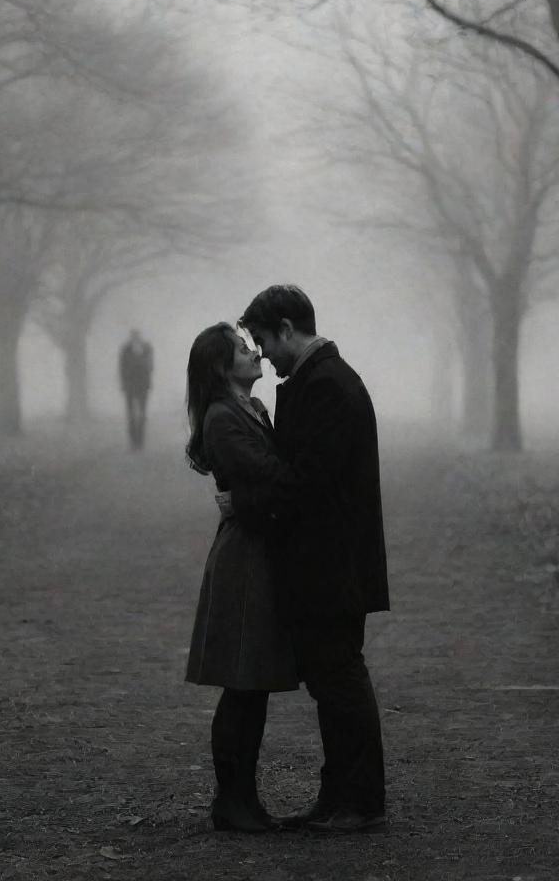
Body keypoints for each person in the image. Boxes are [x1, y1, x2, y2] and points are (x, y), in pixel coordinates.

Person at [233, 284, 390, 833]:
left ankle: (361, 801)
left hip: (331, 563)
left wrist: (243, 502)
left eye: (263, 341)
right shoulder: (318, 380)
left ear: (285, 329)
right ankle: (341, 796)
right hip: (327, 561)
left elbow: (308, 482)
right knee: (332, 681)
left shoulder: (325, 386)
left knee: (340, 678)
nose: (264, 354)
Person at [183, 323, 300, 833]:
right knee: (242, 682)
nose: (255, 353)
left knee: (251, 685)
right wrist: (305, 478)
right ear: (220, 366)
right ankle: (232, 800)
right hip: (245, 556)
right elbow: (272, 475)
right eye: (242, 350)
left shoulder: (250, 408)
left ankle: (241, 800)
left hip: (259, 548)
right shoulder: (221, 416)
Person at [118, 329, 153, 450]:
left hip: (143, 386)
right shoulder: (126, 350)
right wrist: (123, 384)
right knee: (131, 415)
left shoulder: (147, 348)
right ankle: (133, 442)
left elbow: (150, 367)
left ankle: (140, 442)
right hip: (130, 387)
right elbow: (122, 368)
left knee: (142, 414)